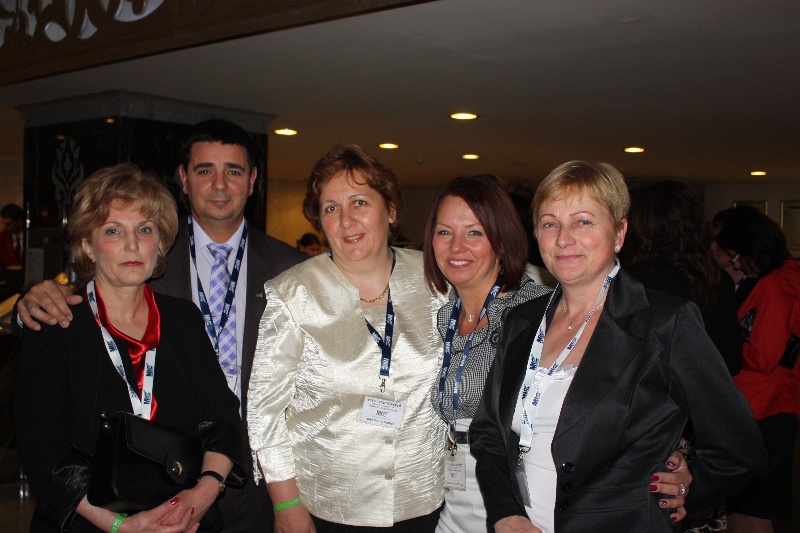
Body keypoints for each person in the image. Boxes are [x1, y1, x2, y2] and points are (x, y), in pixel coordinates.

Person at [15, 119, 306, 533]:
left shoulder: (182, 319)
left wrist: (201, 497)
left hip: (195, 512)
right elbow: (43, 452)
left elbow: (222, 416)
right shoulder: (56, 324)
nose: (133, 244)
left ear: (160, 242)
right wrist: (122, 526)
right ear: (87, 245)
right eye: (113, 230)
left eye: (145, 229)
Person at [470, 161, 766, 533]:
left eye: (583, 222)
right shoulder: (522, 321)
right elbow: (488, 433)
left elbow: (740, 449)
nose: (563, 239)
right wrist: (505, 512)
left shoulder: (664, 323)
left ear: (619, 233)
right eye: (550, 224)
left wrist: (685, 491)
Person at [424, 175, 693, 533]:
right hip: (453, 489)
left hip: (527, 495)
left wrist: (674, 461)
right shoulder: (442, 314)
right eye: (444, 232)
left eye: (474, 232)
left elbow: (625, 398)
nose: (457, 246)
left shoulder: (532, 312)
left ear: (502, 239)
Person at [247, 144, 449, 532]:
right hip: (328, 506)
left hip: (421, 498)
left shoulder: (436, 282)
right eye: (331, 208)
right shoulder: (293, 294)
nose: (346, 220)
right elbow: (265, 412)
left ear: (391, 210)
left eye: (359, 202)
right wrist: (286, 504)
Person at [715, 210, 800, 533]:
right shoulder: (788, 277)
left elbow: (763, 355)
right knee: (745, 507)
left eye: (735, 255)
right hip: (769, 405)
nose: (737, 264)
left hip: (764, 408)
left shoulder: (776, 284)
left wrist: (723, 347)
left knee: (751, 510)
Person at [626, 181, 742, 374]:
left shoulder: (635, 281)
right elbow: (731, 359)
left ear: (643, 224)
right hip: (703, 387)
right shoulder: (716, 279)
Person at [709, 206, 761, 307]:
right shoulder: (710, 284)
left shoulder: (757, 287)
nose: (712, 247)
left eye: (720, 241)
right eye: (712, 240)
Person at [0, 202, 24, 269]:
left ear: (19, 221)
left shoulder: (32, 238)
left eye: (8, 224)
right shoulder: (1, 238)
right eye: (3, 223)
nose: (4, 227)